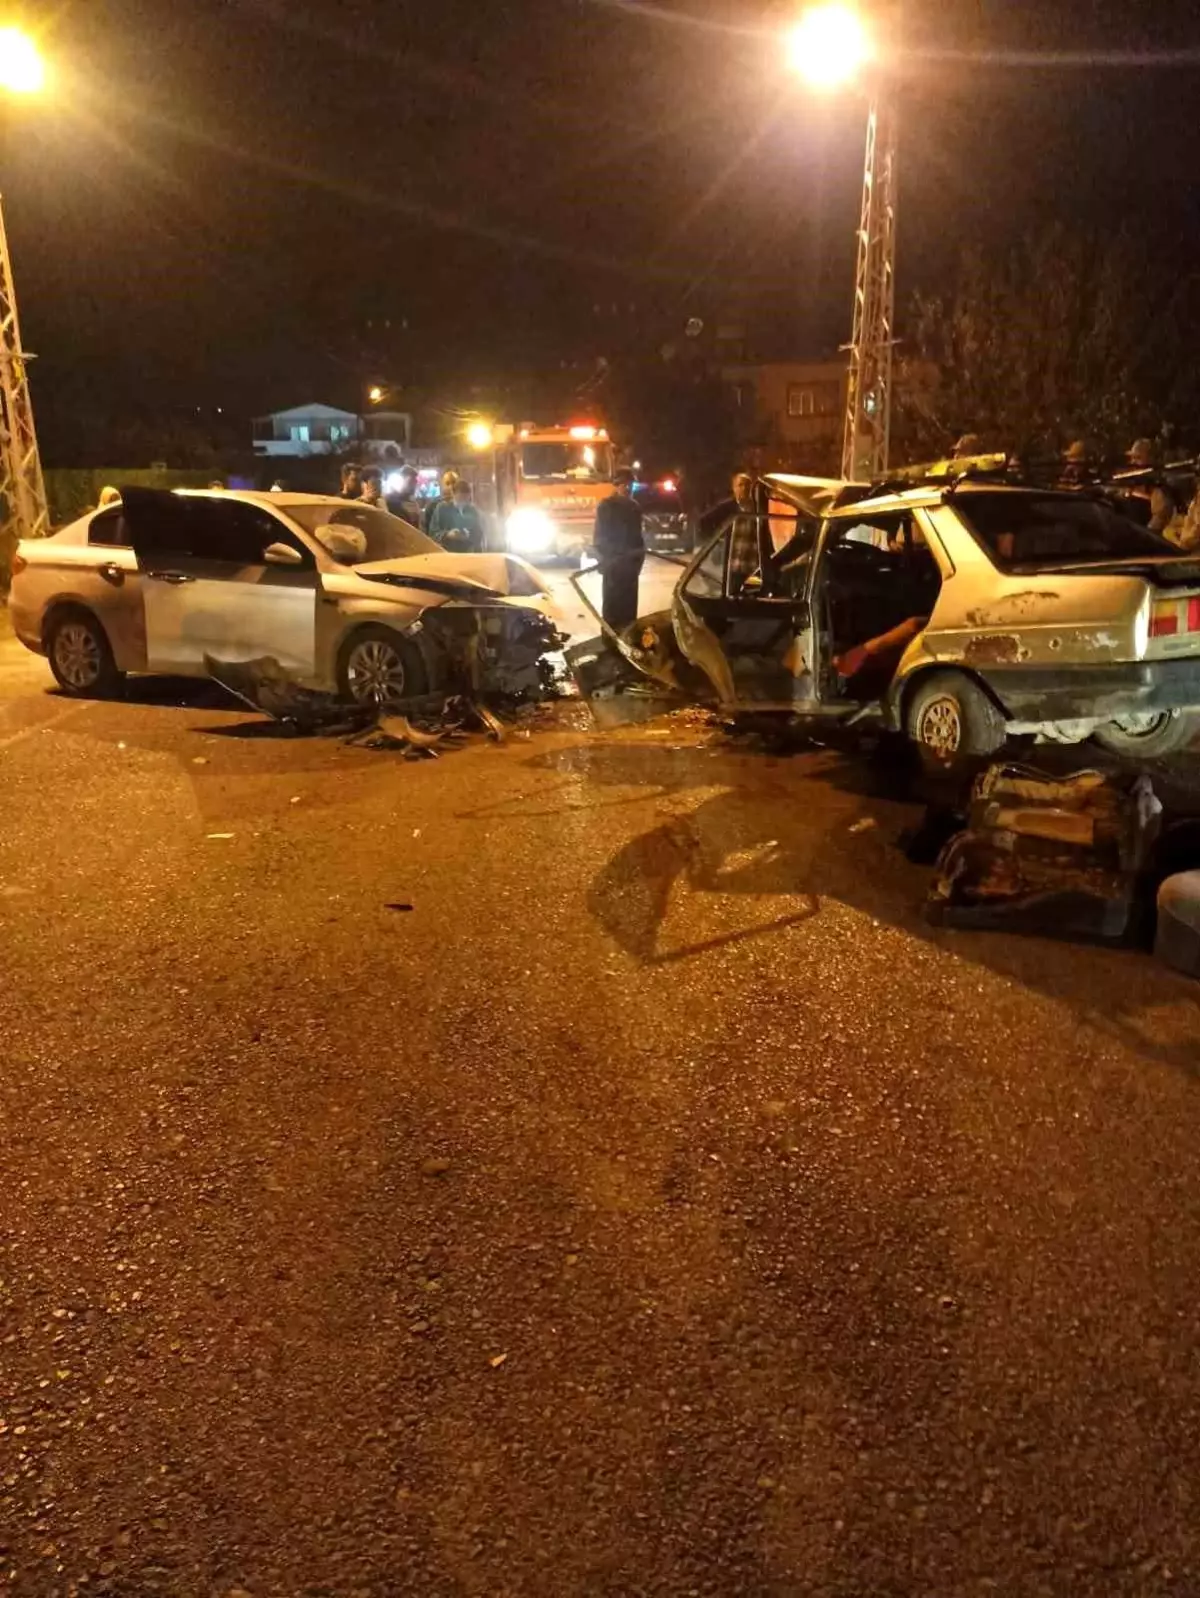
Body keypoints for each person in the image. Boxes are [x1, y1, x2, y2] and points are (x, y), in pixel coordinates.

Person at [593, 467, 644, 633]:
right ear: (616, 485)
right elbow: (600, 536)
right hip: (613, 566)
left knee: (629, 611)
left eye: (630, 485)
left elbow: (638, 538)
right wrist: (605, 560)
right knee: (612, 610)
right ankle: (610, 641)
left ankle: (628, 639)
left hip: (630, 568)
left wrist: (637, 562)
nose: (628, 488)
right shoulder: (606, 506)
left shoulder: (634, 507)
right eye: (624, 485)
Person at [1124, 438, 1174, 534]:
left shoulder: (1157, 485)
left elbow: (1159, 518)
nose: (1133, 462)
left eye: (1138, 458)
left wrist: (1142, 536)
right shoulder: (1134, 481)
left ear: (1151, 459)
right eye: (1132, 458)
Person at [728, 472, 763, 592]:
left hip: (751, 569)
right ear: (734, 488)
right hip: (732, 567)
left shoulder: (758, 510)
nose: (744, 488)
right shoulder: (728, 510)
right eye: (740, 485)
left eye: (748, 485)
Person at [427, 478, 485, 552]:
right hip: (446, 552)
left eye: (466, 499)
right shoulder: (442, 509)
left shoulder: (472, 510)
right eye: (460, 498)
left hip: (467, 553)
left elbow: (479, 535)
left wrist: (469, 535)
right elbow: (432, 534)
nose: (463, 502)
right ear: (453, 494)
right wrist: (448, 534)